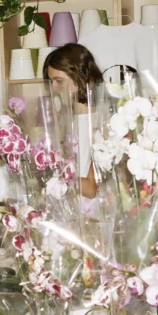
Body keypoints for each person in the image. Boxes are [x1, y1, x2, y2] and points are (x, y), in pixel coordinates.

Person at [43, 43, 104, 199]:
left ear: (80, 79)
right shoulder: (71, 121)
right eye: (51, 82)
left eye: (59, 81)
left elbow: (91, 189)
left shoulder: (96, 124)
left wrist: (47, 176)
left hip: (91, 214)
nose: (54, 88)